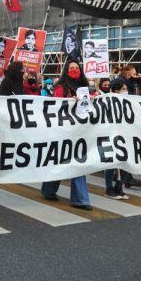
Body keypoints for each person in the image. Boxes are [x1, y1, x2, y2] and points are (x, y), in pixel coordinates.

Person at [40, 59, 93, 210]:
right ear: (66, 70)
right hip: (64, 130)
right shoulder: (61, 87)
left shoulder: (86, 87)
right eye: (71, 68)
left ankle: (75, 198)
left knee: (74, 161)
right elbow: (57, 105)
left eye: (77, 67)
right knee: (65, 160)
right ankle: (54, 192)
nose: (75, 70)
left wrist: (93, 100)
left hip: (81, 130)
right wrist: (70, 101)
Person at [104, 79, 130, 200]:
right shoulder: (106, 102)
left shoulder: (129, 103)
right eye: (124, 89)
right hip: (109, 135)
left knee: (126, 162)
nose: (126, 91)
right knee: (110, 163)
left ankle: (119, 187)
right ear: (116, 91)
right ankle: (109, 188)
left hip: (125, 136)